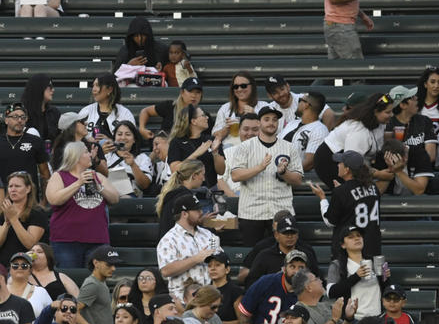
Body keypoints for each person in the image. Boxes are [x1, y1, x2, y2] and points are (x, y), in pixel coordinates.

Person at [228, 104, 304, 245]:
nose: (271, 123)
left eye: (274, 119)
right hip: (251, 212)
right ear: (259, 122)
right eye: (267, 119)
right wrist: (259, 167)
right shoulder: (245, 146)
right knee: (253, 258)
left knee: (284, 257)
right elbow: (235, 175)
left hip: (282, 211)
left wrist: (284, 172)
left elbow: (298, 180)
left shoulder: (289, 147)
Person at [45, 141, 118, 268]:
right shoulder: (59, 176)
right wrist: (78, 183)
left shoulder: (97, 176)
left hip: (97, 239)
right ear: (76, 156)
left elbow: (115, 198)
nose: (90, 154)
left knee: (95, 280)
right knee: (70, 279)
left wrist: (99, 187)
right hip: (67, 240)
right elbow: (54, 199)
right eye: (86, 152)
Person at [314, 95, 393, 189]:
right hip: (329, 160)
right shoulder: (359, 131)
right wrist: (378, 174)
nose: (391, 115)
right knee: (351, 192)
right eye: (388, 112)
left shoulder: (380, 123)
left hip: (350, 157)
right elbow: (352, 164)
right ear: (375, 112)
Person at [156, 194, 219, 300]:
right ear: (184, 214)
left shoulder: (208, 234)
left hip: (208, 297)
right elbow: (166, 271)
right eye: (196, 210)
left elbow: (219, 254)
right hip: (183, 300)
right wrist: (195, 259)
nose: (201, 212)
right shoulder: (168, 240)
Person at [240, 250, 310, 324]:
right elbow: (245, 313)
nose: (296, 272)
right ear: (284, 269)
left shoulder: (308, 290)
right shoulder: (266, 282)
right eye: (292, 266)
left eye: (301, 268)